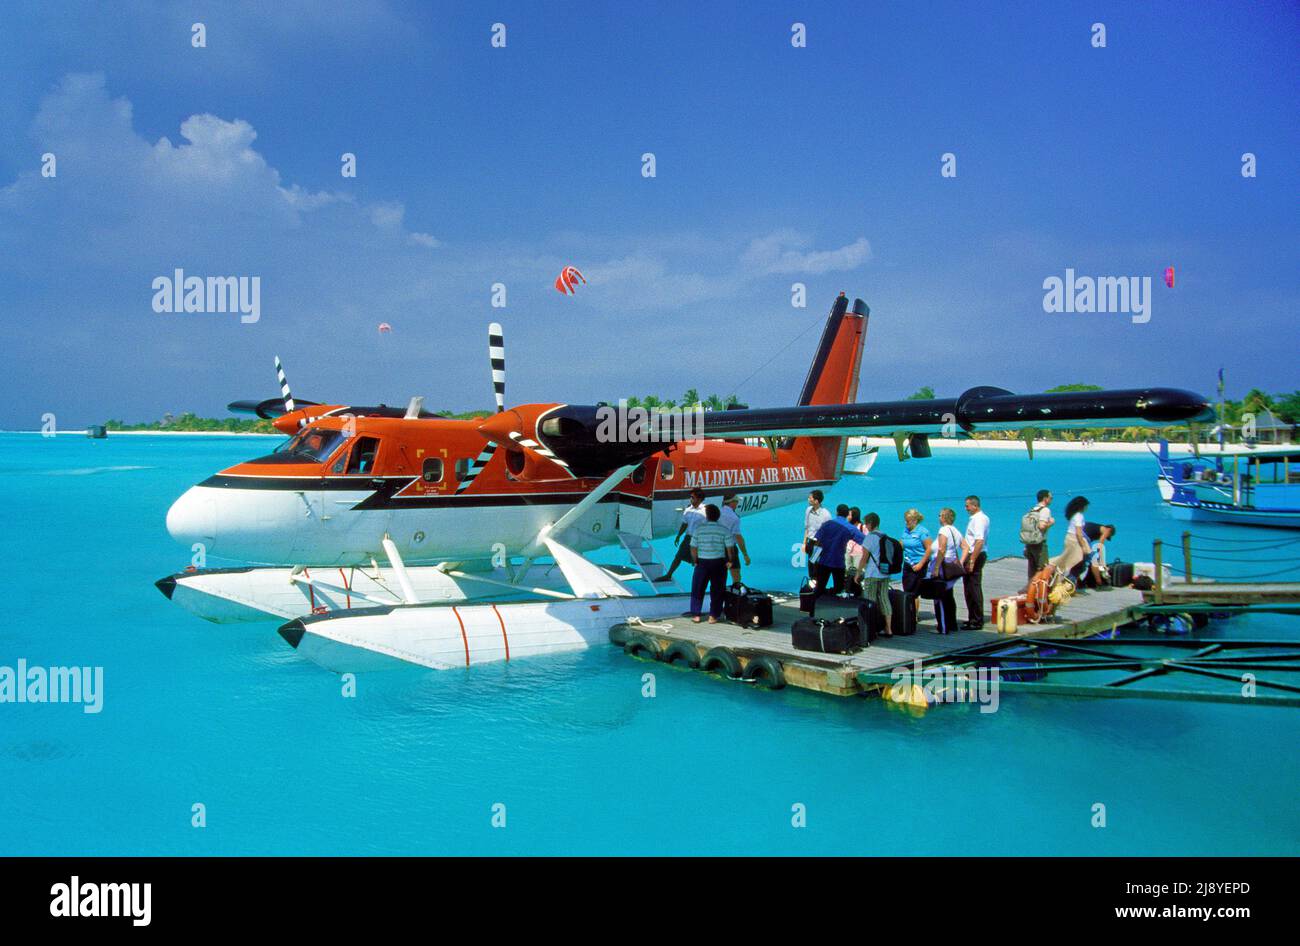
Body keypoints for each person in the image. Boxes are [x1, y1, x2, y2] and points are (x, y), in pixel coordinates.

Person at [689, 504, 734, 623]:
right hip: (719, 562)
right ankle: (713, 616)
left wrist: (695, 560)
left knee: (698, 588)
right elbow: (730, 548)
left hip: (702, 562)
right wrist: (730, 561)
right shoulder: (724, 530)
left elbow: (693, 547)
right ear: (718, 516)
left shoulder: (699, 529)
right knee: (717, 590)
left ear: (707, 516)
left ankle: (696, 615)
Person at [929, 508, 967, 634]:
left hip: (942, 566)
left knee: (939, 596)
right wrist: (960, 562)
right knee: (949, 595)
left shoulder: (944, 530)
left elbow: (942, 549)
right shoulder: (955, 531)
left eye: (940, 515)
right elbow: (965, 547)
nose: (938, 517)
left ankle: (943, 627)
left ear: (944, 517)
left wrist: (936, 567)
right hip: (951, 565)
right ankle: (952, 623)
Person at [858, 512, 894, 635]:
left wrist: (858, 573)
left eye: (866, 524)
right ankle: (888, 628)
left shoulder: (870, 537)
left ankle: (870, 628)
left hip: (872, 573)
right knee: (884, 599)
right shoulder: (885, 536)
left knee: (870, 600)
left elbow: (864, 558)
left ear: (870, 524)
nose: (865, 526)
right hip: (885, 573)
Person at [811, 503, 858, 596]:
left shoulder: (826, 524)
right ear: (847, 514)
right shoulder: (851, 528)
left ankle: (816, 603)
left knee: (819, 588)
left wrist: (813, 559)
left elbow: (817, 542)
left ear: (836, 512)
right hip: (838, 563)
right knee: (839, 590)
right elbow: (864, 540)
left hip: (824, 561)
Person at [661, 488, 706, 581]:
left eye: (693, 497)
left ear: (699, 499)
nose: (691, 499)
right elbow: (685, 523)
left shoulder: (705, 511)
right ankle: (668, 575)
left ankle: (702, 579)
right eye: (690, 497)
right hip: (688, 537)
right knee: (678, 556)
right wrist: (679, 535)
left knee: (698, 561)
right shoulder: (688, 509)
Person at [960, 495, 989, 630]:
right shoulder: (979, 518)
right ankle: (972, 617)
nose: (966, 508)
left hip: (974, 554)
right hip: (974, 553)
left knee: (973, 587)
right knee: (969, 587)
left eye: (967, 506)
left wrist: (972, 560)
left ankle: (976, 619)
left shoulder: (978, 520)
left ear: (975, 506)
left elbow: (979, 541)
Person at [900, 509, 933, 623]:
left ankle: (914, 615)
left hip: (919, 563)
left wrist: (921, 564)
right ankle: (907, 612)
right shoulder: (906, 530)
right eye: (905, 520)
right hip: (907, 563)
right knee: (907, 589)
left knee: (914, 592)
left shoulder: (922, 531)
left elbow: (929, 548)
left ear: (914, 520)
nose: (906, 523)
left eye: (908, 521)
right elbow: (902, 543)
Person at [1050, 495, 1091, 581]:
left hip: (1069, 538)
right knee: (1074, 561)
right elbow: (1078, 533)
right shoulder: (1079, 516)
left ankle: (1056, 572)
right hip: (1075, 540)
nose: (1087, 508)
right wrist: (1083, 546)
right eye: (1086, 506)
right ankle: (1052, 565)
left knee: (1067, 558)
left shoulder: (1074, 515)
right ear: (1082, 506)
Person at [719, 491, 752, 585]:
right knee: (736, 575)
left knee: (718, 575)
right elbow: (738, 538)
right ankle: (735, 591)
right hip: (730, 549)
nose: (737, 503)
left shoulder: (717, 513)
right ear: (732, 502)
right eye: (736, 501)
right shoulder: (734, 518)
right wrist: (745, 554)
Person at [1022, 489, 1055, 580]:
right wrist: (1051, 523)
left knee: (1032, 571)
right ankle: (1040, 588)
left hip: (1029, 543)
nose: (1051, 499)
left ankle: (1031, 587)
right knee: (1043, 570)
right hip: (1039, 544)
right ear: (1045, 498)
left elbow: (1029, 529)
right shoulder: (1045, 510)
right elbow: (1041, 526)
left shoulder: (1033, 509)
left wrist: (1025, 547)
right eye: (1050, 498)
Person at [801, 490, 831, 579]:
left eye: (810, 498)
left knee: (816, 566)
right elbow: (807, 528)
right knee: (811, 565)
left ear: (816, 501)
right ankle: (812, 582)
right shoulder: (808, 510)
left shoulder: (826, 515)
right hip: (810, 542)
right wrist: (804, 543)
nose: (808, 499)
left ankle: (817, 583)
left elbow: (828, 533)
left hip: (819, 544)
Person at [1077, 522, 1115, 589]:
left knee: (1081, 560)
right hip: (1083, 536)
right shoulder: (1107, 529)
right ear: (1109, 530)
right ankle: (1099, 582)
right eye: (1108, 535)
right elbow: (1101, 541)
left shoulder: (1097, 529)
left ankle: (1077, 580)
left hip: (1076, 534)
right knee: (1094, 560)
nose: (1107, 536)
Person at [844, 506, 867, 596]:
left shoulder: (863, 527)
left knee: (858, 573)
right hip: (848, 552)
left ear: (855, 516)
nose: (848, 517)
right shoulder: (847, 526)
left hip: (859, 553)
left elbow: (867, 541)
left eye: (849, 515)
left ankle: (860, 594)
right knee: (847, 572)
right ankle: (849, 592)